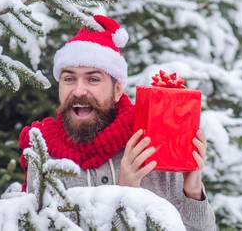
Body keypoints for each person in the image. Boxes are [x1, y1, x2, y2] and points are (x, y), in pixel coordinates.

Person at [19, 15, 216, 231]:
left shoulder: (150, 143)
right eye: (69, 79)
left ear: (117, 90)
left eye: (93, 79)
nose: (78, 90)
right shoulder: (44, 153)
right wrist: (124, 195)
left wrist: (193, 191)